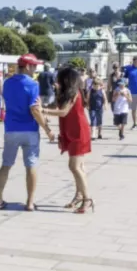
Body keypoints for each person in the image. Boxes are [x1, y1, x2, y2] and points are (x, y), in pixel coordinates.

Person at [0, 55, 52, 211]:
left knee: (6, 164)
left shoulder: (7, 83)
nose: (35, 70)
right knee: (31, 165)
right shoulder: (33, 84)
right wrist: (47, 130)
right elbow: (34, 109)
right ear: (27, 67)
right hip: (29, 129)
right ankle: (30, 202)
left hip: (11, 128)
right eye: (34, 67)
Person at [45, 65, 93, 212]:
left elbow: (63, 112)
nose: (57, 81)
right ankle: (79, 196)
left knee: (75, 167)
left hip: (79, 132)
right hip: (71, 131)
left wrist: (43, 110)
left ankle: (87, 199)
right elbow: (58, 106)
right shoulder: (67, 93)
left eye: (59, 79)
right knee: (79, 166)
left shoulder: (75, 93)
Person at [85, 72, 106, 140]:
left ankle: (99, 133)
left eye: (97, 86)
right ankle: (93, 134)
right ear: (92, 85)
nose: (96, 87)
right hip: (92, 108)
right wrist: (87, 105)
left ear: (100, 85)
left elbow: (105, 99)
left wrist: (105, 105)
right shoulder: (90, 91)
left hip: (100, 108)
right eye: (95, 85)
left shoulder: (102, 91)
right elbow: (87, 99)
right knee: (93, 120)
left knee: (99, 121)